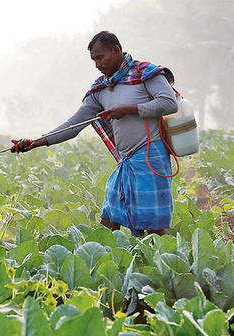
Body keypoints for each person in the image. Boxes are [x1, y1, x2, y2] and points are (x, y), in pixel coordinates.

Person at [11, 31, 178, 237]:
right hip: (126, 162)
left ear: (116, 51)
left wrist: (128, 109)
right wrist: (34, 142)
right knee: (109, 217)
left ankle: (164, 265)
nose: (97, 64)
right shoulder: (100, 88)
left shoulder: (145, 73)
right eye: (93, 60)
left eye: (100, 57)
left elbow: (169, 103)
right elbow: (73, 125)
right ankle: (106, 263)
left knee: (153, 225)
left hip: (151, 155)